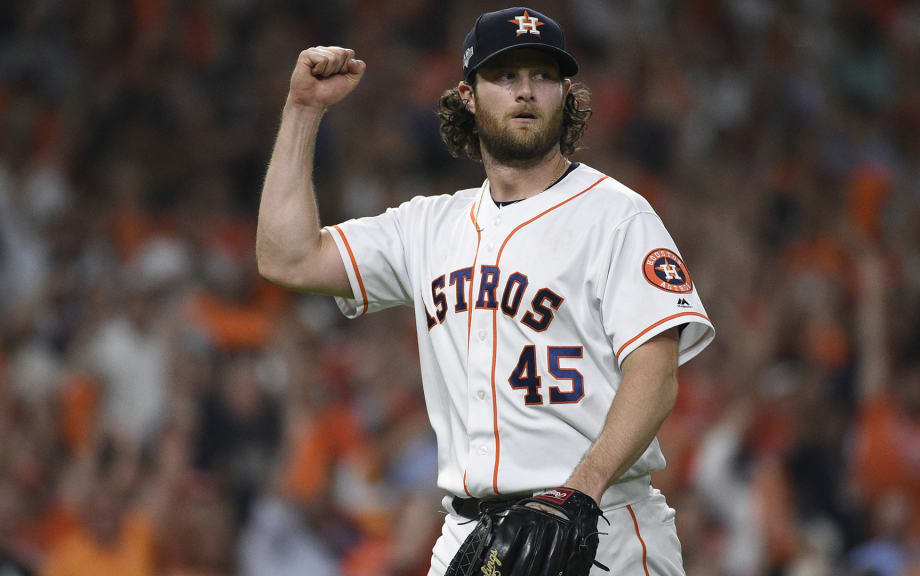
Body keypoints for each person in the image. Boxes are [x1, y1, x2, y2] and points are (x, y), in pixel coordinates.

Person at [256, 7, 715, 574]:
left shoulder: (617, 216)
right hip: (471, 535)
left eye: (543, 76)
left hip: (601, 527)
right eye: (504, 76)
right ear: (467, 96)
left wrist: (579, 491)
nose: (525, 91)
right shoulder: (427, 226)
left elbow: (656, 373)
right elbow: (288, 257)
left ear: (566, 95)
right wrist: (302, 111)